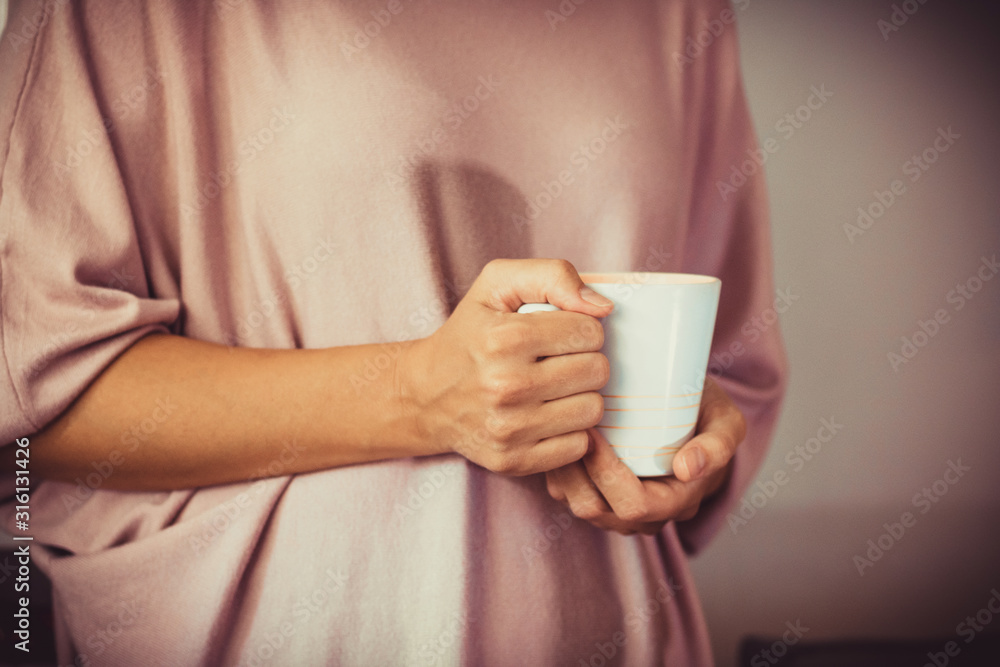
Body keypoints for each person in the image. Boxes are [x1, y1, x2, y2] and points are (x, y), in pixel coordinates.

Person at [0, 0, 786, 664]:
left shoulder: (680, 13)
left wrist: (696, 442)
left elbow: (733, 378)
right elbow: (31, 398)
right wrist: (419, 395)